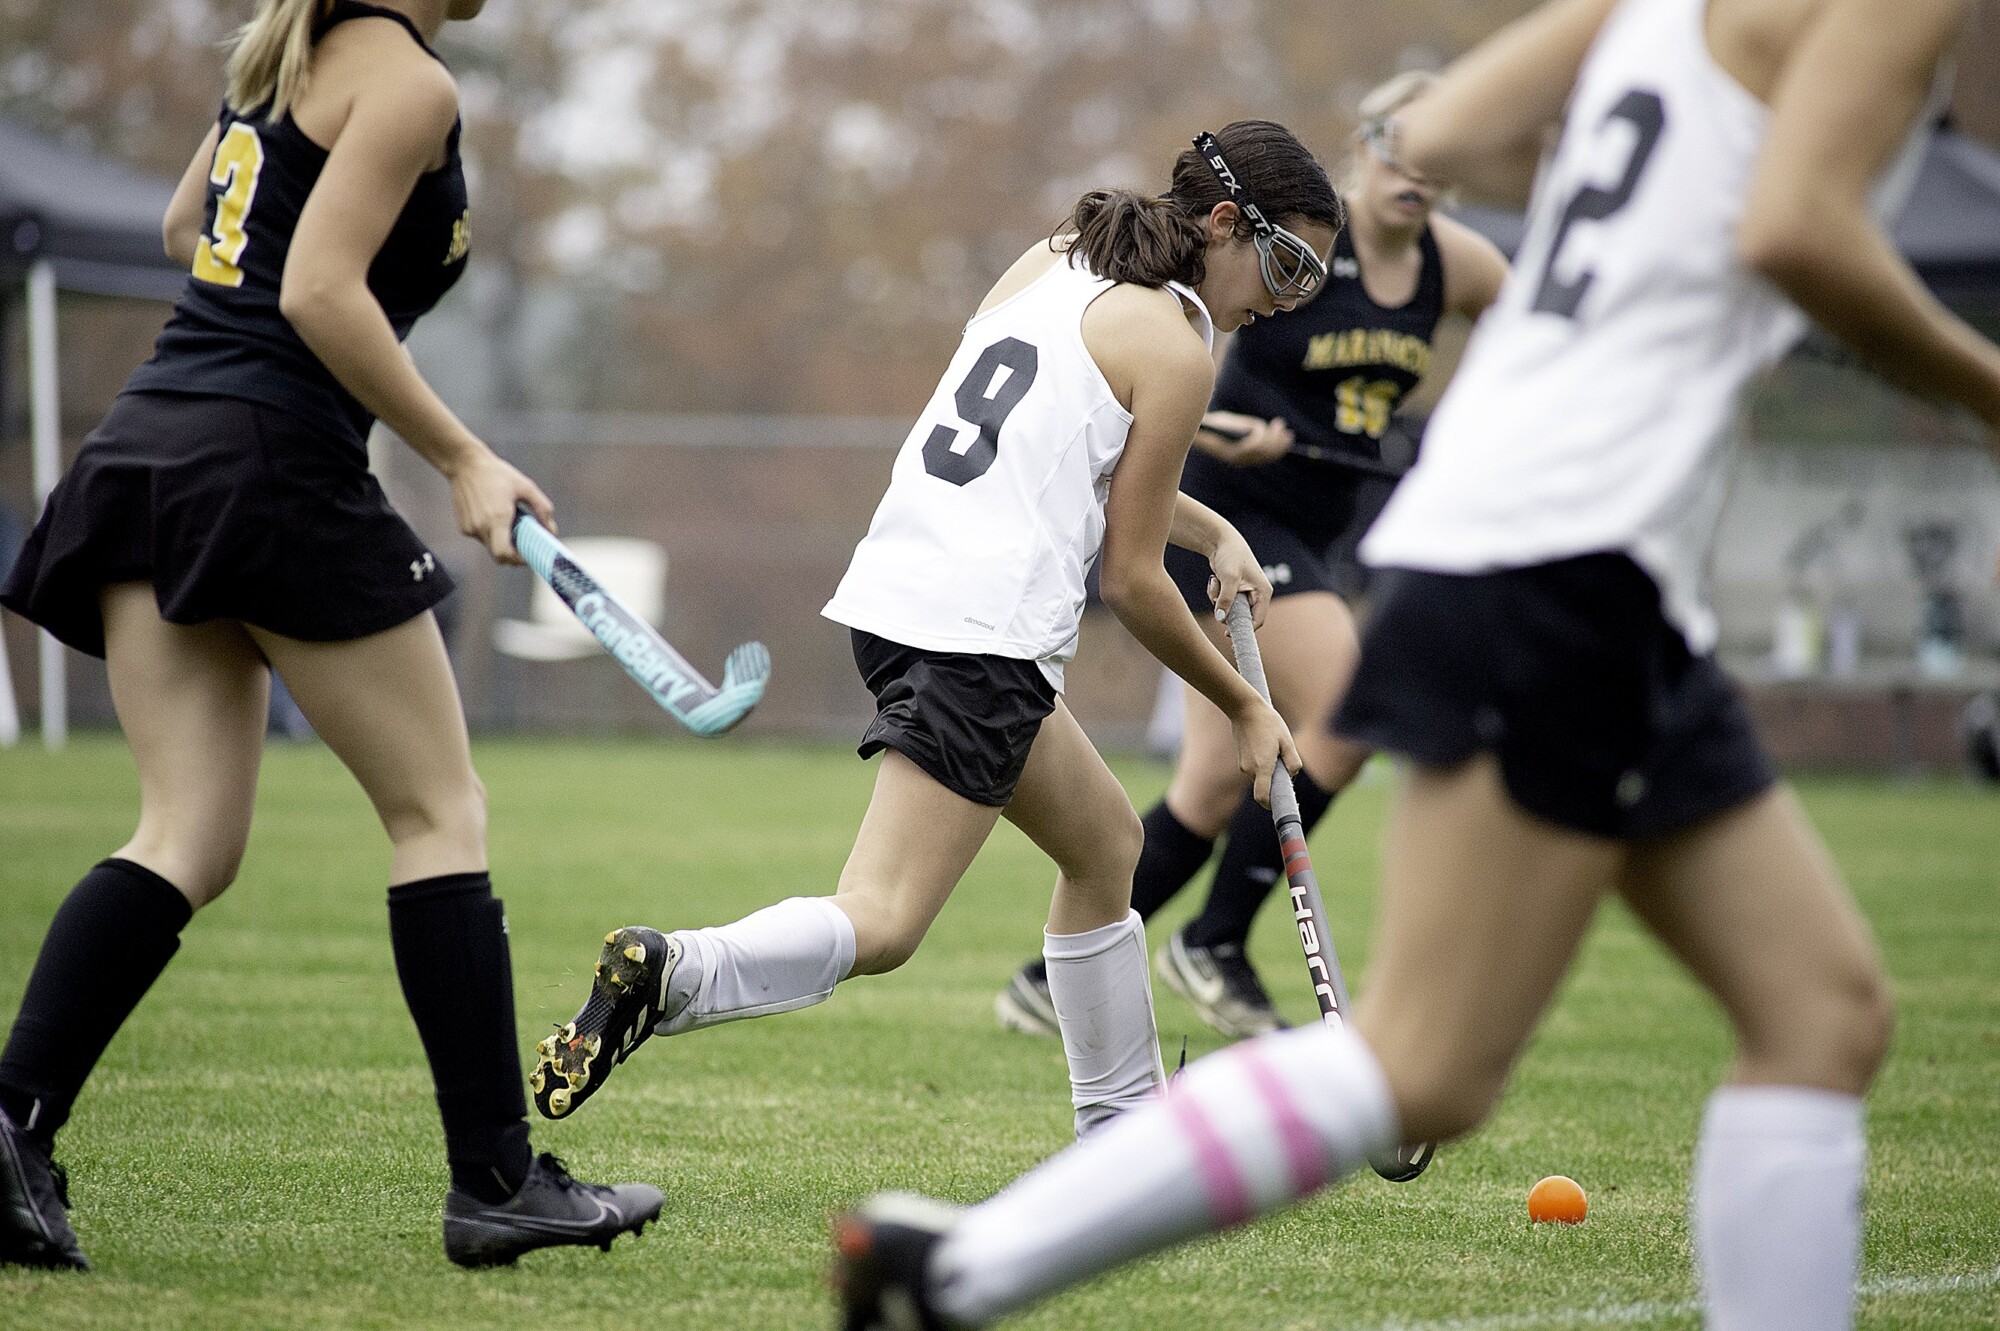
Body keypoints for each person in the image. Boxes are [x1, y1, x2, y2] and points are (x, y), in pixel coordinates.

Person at [833, 0, 1998, 1325]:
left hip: (1573, 554)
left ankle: (970, 1249)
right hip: (1567, 553)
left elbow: (1438, 131)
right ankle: (963, 1267)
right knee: (1428, 1061)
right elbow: (1795, 226)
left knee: (1825, 1011)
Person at [0, 0, 662, 1271]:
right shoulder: (408, 82)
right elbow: (314, 288)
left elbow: (186, 226)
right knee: (438, 812)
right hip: (266, 462)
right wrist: (464, 455)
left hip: (151, 445)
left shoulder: (286, 56)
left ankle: (12, 1123)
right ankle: (497, 1181)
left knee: (185, 832)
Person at [529, 123, 1337, 1145]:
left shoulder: (1062, 256)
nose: (1284, 298)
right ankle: (675, 969)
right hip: (984, 634)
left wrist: (1213, 526)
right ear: (1223, 222)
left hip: (899, 597)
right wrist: (1244, 705)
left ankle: (1124, 1137)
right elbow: (1130, 581)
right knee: (885, 916)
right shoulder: (1176, 351)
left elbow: (1058, 438)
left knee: (1104, 845)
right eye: (1286, 265)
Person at [994, 73, 1508, 1041]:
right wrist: (1217, 427)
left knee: (1210, 781)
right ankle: (1216, 940)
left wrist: (1464, 430)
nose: (1414, 174)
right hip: (1229, 521)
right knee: (1349, 708)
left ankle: (1045, 976)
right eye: (1397, 147)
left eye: (1436, 159)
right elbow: (1191, 357)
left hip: (1314, 533)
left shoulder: (1455, 264)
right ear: (1361, 146)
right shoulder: (1303, 236)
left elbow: (1531, 326)